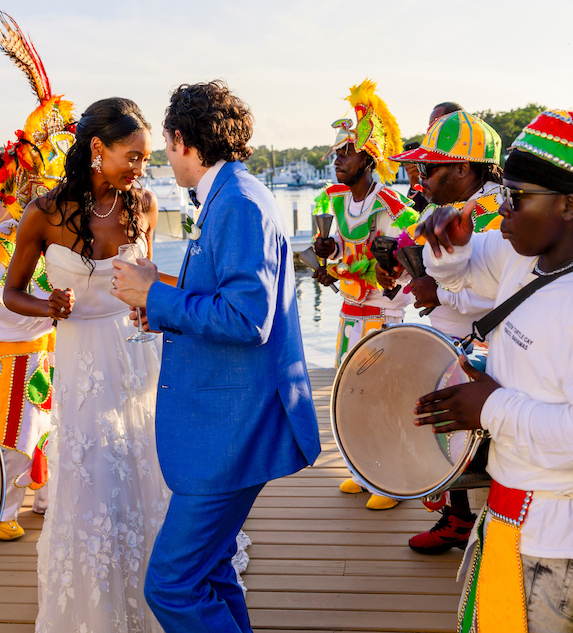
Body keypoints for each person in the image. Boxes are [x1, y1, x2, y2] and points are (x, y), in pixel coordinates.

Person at [414, 109, 573, 633]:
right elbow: (466, 260)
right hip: (516, 518)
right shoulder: (527, 255)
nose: (499, 212)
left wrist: (490, 407)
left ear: (569, 205)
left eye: (516, 198)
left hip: (569, 543)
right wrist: (448, 243)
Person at [110, 80, 321, 633]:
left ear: (182, 140)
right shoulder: (233, 195)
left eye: (167, 145)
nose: (164, 157)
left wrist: (155, 296)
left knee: (172, 586)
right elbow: (230, 294)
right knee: (212, 571)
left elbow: (247, 319)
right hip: (225, 423)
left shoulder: (240, 205)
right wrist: (159, 295)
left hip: (229, 430)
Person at [3, 97, 173, 633]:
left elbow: (149, 276)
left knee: (141, 470)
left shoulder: (141, 204)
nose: (141, 168)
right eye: (133, 155)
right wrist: (46, 307)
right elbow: (12, 292)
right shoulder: (45, 212)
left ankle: (157, 597)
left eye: (146, 158)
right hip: (80, 362)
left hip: (135, 353)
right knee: (92, 477)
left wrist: (155, 304)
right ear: (97, 148)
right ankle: (96, 610)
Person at [0, 11, 74, 541]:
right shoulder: (2, 240)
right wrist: (47, 306)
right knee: (12, 438)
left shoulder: (46, 233)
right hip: (7, 354)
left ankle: (48, 499)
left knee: (48, 431)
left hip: (40, 350)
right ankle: (2, 513)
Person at [386, 109, 504, 553]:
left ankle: (488, 534)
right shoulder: (452, 209)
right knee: (452, 435)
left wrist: (440, 294)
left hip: (489, 348)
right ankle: (462, 521)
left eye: (430, 168)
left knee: (484, 448)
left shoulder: (494, 212)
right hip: (458, 338)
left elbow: (504, 294)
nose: (422, 177)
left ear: (462, 168)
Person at [311, 79, 417, 510]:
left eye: (345, 152)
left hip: (382, 315)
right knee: (349, 392)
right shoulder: (335, 201)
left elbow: (404, 266)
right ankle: (360, 468)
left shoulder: (390, 204)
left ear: (369, 156)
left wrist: (384, 267)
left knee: (383, 395)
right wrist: (327, 253)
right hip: (349, 311)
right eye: (335, 152)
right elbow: (342, 250)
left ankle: (390, 478)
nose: (338, 160)